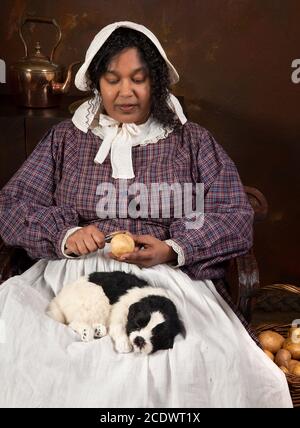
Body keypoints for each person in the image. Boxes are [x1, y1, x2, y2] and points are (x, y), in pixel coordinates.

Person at [0, 21, 292, 408]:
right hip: (73, 276)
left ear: (155, 82)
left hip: (168, 279)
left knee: (182, 358)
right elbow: (12, 205)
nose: (125, 92)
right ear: (95, 83)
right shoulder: (66, 139)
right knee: (36, 345)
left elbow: (235, 216)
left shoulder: (193, 141)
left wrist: (173, 248)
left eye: (138, 79)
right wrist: (66, 235)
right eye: (112, 80)